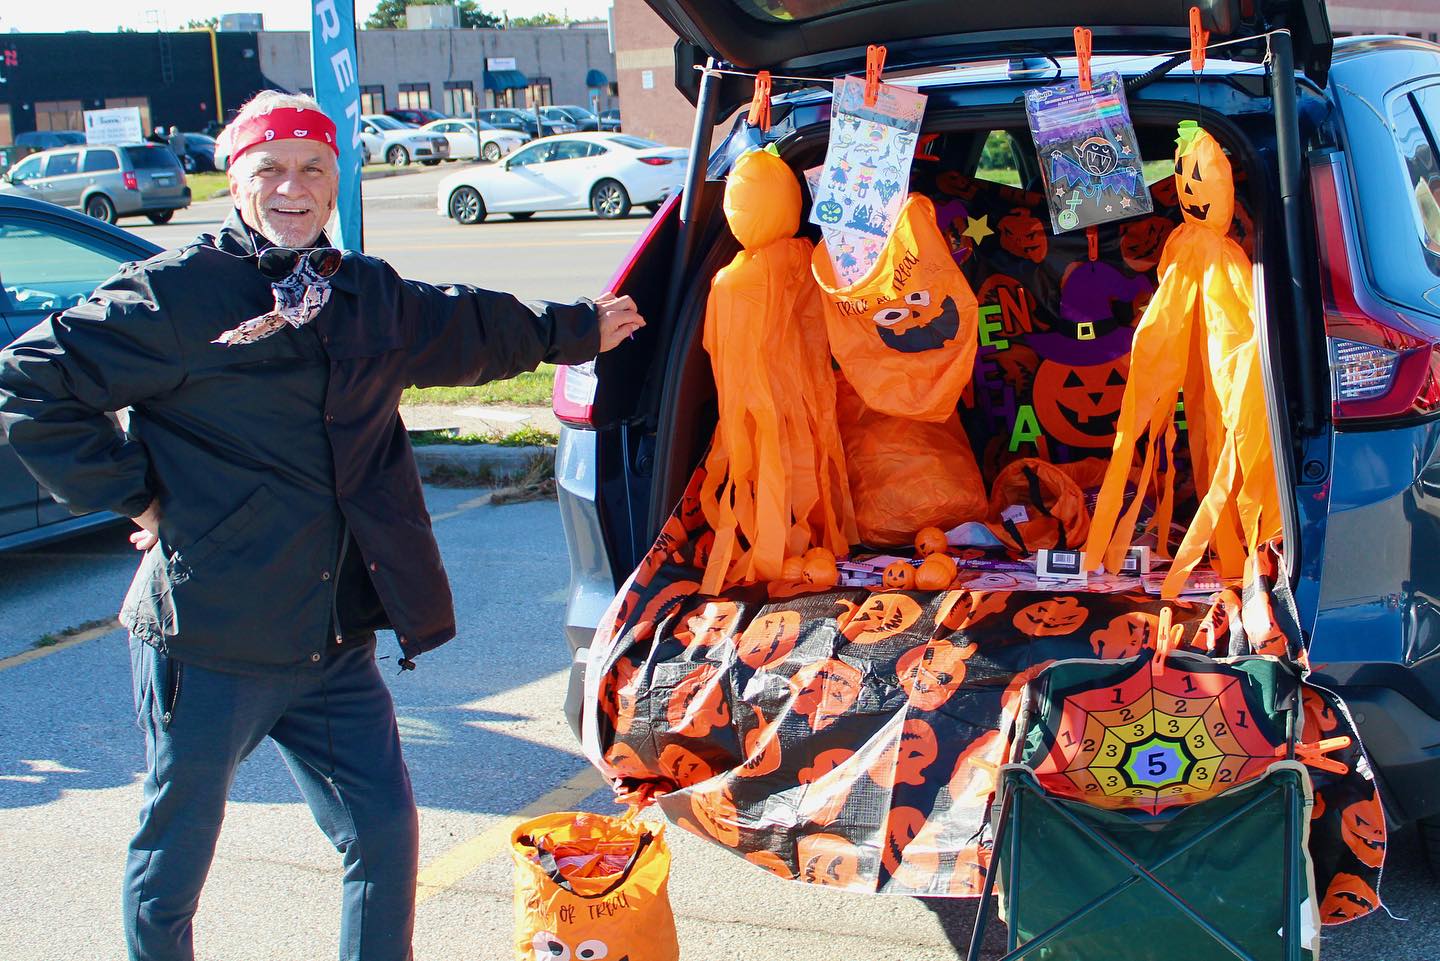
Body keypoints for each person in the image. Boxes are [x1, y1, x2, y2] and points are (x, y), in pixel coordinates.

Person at [0, 91, 644, 961]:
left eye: (311, 168)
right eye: (269, 169)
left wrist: (578, 328)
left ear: (336, 180)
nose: (291, 188)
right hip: (210, 640)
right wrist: (138, 496)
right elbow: (30, 381)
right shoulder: (176, 294)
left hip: (333, 642)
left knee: (383, 838)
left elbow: (465, 325)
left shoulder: (363, 293)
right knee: (173, 860)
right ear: (235, 182)